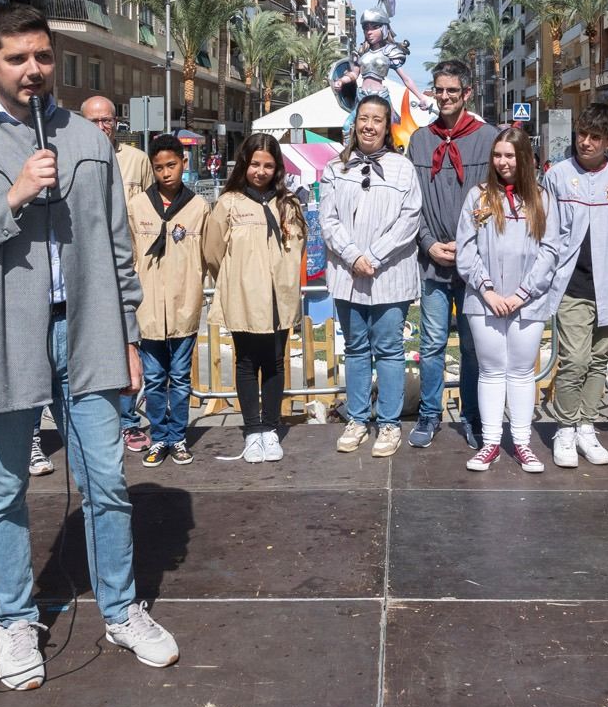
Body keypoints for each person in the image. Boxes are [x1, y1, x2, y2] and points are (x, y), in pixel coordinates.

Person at [0, 5, 176, 690]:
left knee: (108, 479)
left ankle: (121, 610)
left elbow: (119, 250)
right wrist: (11, 197)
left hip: (88, 331)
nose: (32, 70)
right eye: (16, 58)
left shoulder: (88, 142)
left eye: (42, 56)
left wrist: (126, 334)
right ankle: (14, 617)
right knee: (2, 489)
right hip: (2, 334)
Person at [457, 128, 568, 473]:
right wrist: (487, 290)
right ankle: (490, 442)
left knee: (521, 373)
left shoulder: (541, 198)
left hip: (528, 302)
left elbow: (551, 250)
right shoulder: (479, 197)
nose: (503, 162)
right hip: (484, 300)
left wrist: (523, 293)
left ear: (525, 159)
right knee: (490, 371)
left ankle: (521, 442)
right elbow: (466, 247)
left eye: (510, 155)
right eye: (497, 155)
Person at [321, 94, 424, 456]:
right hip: (348, 276)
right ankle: (358, 418)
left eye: (377, 120)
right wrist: (353, 256)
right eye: (363, 118)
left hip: (389, 275)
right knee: (356, 348)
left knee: (390, 349)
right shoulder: (335, 168)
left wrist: (374, 256)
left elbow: (409, 220)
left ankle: (390, 424)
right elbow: (328, 219)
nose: (369, 126)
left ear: (386, 125)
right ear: (354, 123)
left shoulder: (403, 168)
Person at [406, 60, 496, 449]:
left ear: (466, 94)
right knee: (431, 344)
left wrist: (470, 245)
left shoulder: (489, 138)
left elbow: (496, 198)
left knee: (474, 346)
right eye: (438, 90)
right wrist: (428, 244)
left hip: (474, 263)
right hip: (434, 263)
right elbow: (413, 205)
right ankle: (429, 414)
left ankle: (473, 416)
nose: (444, 97)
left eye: (451, 91)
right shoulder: (420, 141)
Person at [546, 103, 608, 468]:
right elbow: (547, 232)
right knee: (574, 360)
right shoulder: (556, 176)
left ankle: (587, 424)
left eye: (594, 137)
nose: (585, 142)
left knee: (598, 361)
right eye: (581, 135)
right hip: (571, 286)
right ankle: (565, 428)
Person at [205, 133, 307, 462]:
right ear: (244, 164)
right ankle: (252, 431)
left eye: (268, 165)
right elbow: (213, 250)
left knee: (275, 362)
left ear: (277, 168)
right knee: (247, 362)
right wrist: (237, 278)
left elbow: (297, 248)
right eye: (254, 164)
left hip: (280, 297)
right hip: (243, 296)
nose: (260, 171)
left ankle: (270, 429)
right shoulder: (229, 202)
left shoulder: (288, 203)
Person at [127, 135, 209, 467]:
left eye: (171, 166)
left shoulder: (199, 207)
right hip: (147, 309)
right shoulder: (137, 206)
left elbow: (206, 257)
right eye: (158, 168)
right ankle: (159, 436)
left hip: (183, 305)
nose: (165, 174)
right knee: (155, 377)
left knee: (180, 376)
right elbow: (130, 257)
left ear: (183, 163)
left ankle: (178, 437)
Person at [82, 95, 152, 451]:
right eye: (93, 121)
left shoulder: (138, 161)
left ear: (117, 123)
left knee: (127, 349)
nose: (101, 127)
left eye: (107, 120)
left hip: (129, 270)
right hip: (88, 274)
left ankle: (129, 422)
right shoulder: (72, 160)